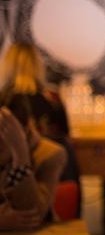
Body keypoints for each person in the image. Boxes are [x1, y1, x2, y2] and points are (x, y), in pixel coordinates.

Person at [0, 94, 67, 231]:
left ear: (23, 130)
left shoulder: (50, 154)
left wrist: (20, 155)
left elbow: (31, 216)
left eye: (3, 131)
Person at [0, 42, 70, 140]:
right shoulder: (52, 97)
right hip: (48, 153)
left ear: (7, 66)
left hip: (10, 154)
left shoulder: (3, 99)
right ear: (37, 65)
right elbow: (65, 133)